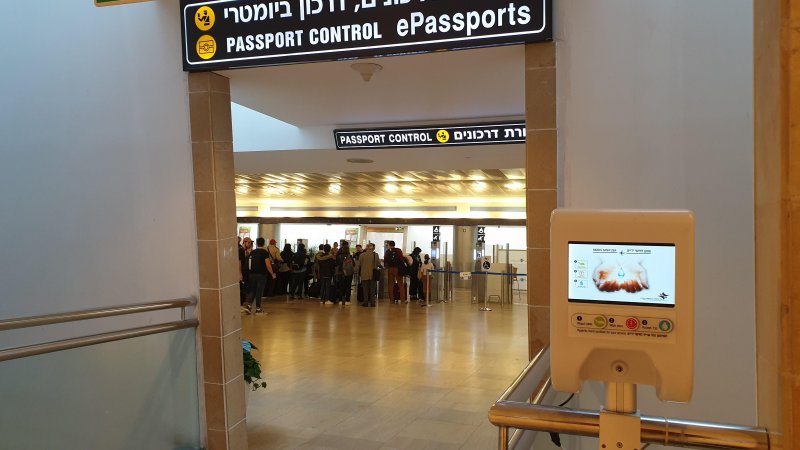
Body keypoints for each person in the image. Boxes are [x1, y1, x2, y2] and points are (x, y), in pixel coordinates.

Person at [245, 237, 276, 315]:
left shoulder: (253, 252)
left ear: (256, 243)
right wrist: (272, 273)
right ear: (264, 243)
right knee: (259, 291)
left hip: (252, 274)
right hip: (261, 274)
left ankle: (248, 307)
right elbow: (268, 264)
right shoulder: (264, 252)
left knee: (252, 290)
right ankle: (258, 309)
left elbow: (248, 263)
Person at [356, 243, 381, 307]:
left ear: (366, 247)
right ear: (373, 248)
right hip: (373, 274)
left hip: (364, 273)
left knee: (365, 289)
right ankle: (372, 302)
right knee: (372, 288)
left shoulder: (362, 255)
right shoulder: (376, 255)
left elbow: (359, 265)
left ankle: (366, 302)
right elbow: (378, 264)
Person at [239, 237, 253, 307]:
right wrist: (240, 273)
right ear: (244, 242)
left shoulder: (247, 251)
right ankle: (241, 303)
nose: (250, 244)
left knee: (246, 287)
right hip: (243, 272)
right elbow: (239, 262)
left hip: (247, 273)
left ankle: (244, 302)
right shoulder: (240, 250)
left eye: (251, 243)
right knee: (242, 288)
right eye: (249, 242)